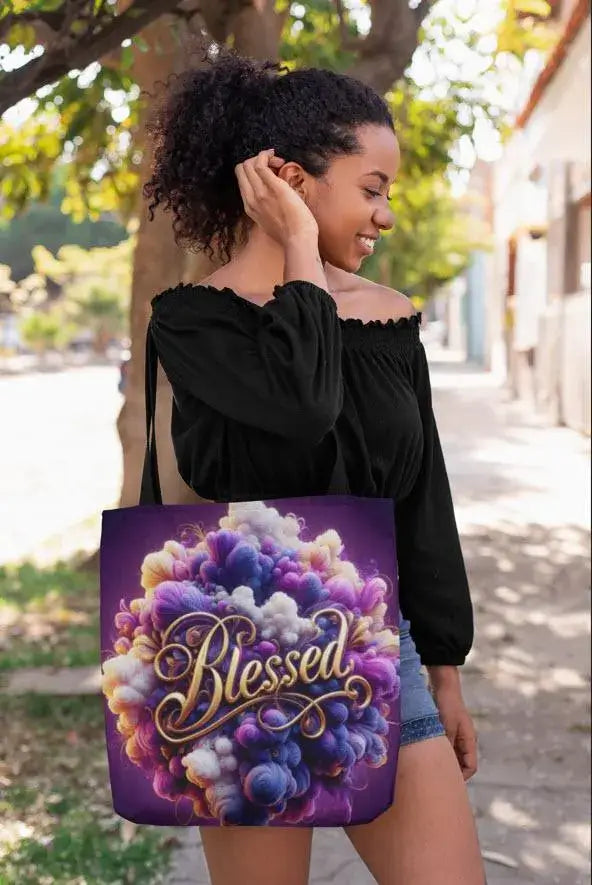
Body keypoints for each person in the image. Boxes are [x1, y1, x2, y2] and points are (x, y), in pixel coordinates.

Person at [143, 45, 486, 885]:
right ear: (290, 181)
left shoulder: (390, 320)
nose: (387, 216)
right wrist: (299, 247)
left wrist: (443, 668)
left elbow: (422, 500)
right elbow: (303, 409)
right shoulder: (195, 325)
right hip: (233, 661)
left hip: (375, 647)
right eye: (371, 189)